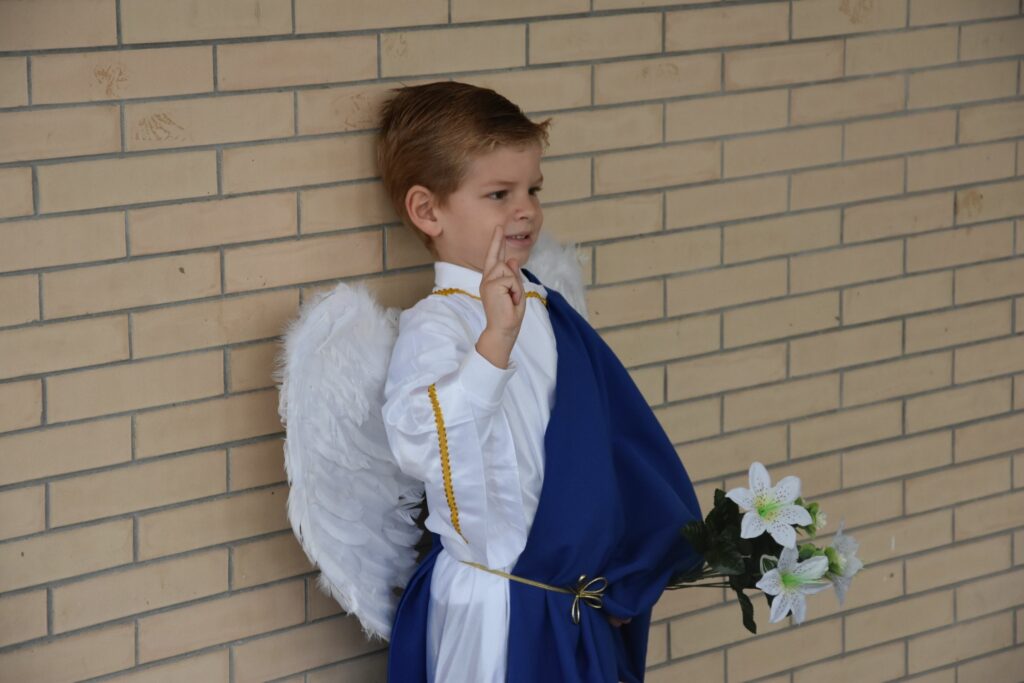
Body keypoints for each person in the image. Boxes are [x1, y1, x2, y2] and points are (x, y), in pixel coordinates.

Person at [376, 81, 702, 682]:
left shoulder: (547, 309)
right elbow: (422, 442)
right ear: (427, 210)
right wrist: (494, 342)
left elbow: (609, 445)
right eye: (499, 194)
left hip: (569, 605)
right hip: (498, 610)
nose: (525, 209)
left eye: (533, 189)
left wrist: (626, 571)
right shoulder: (437, 323)